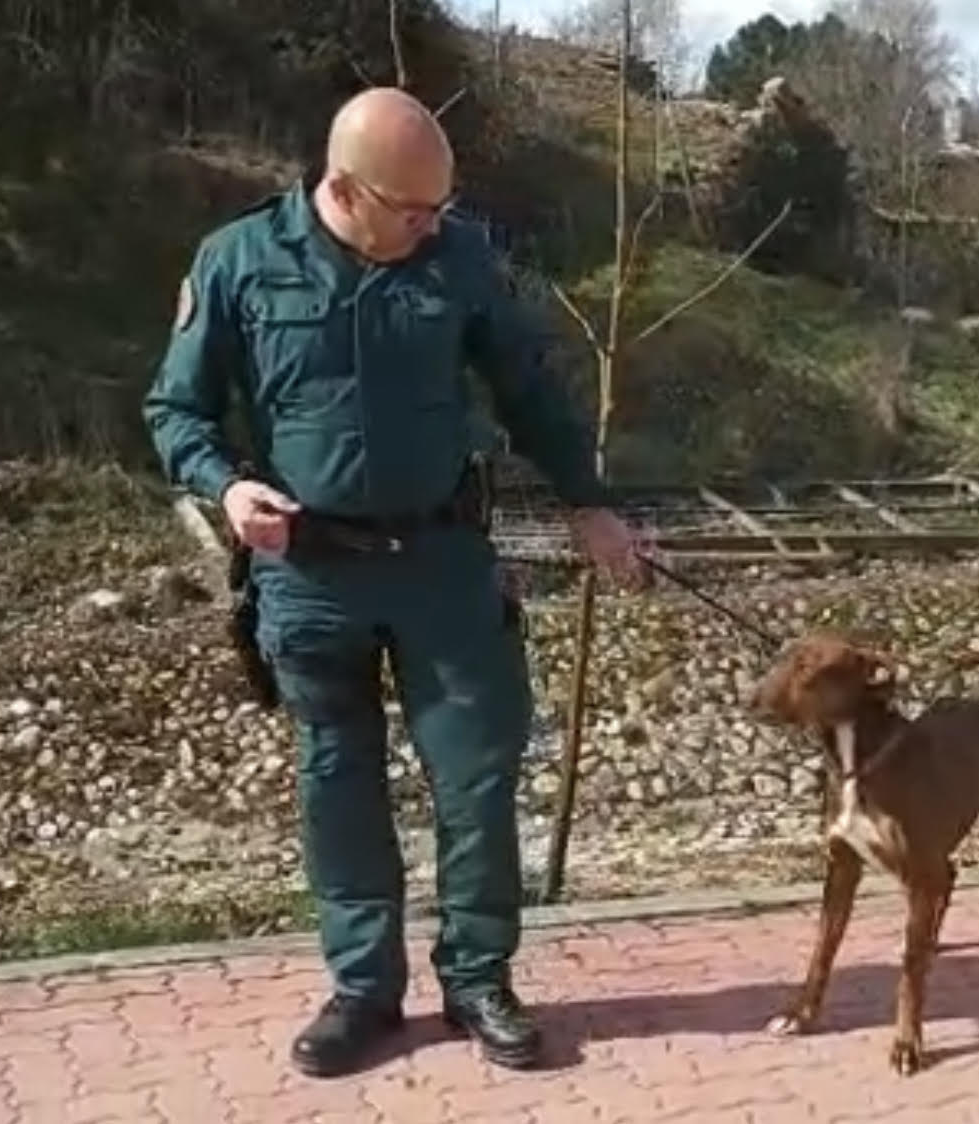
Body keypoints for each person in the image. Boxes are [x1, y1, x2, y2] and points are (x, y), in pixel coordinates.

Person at [142, 86, 649, 1078]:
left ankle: (477, 976)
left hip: (443, 564)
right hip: (312, 575)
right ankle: (363, 988)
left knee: (477, 772)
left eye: (438, 209)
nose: (431, 227)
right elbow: (176, 411)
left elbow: (529, 390)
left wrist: (588, 501)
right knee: (338, 782)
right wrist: (227, 485)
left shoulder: (457, 259)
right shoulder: (238, 261)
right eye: (411, 211)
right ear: (343, 187)